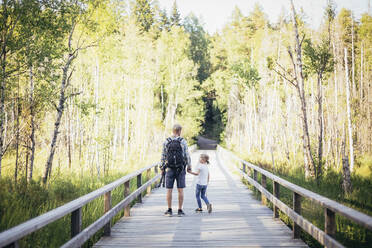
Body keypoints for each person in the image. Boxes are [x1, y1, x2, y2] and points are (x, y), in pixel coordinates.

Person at [160, 124, 191, 217]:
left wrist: (162, 167)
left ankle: (169, 210)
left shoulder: (166, 141)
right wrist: (189, 166)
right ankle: (180, 210)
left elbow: (163, 155)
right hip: (180, 168)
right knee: (180, 190)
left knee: (169, 190)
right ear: (179, 131)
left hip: (169, 168)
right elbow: (187, 155)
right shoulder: (183, 141)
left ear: (173, 131)